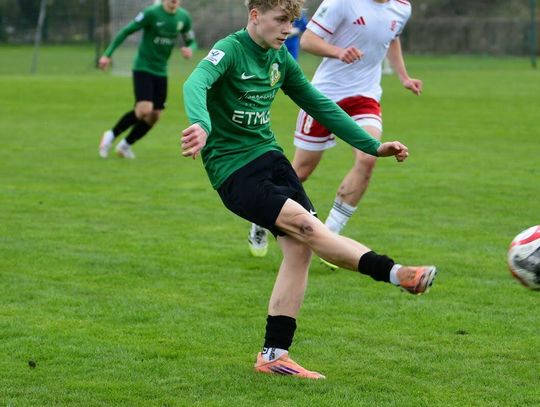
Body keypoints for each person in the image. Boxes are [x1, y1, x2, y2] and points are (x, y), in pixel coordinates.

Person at [181, 0, 437, 379]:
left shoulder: (280, 59)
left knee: (300, 250)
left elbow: (320, 104)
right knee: (308, 228)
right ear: (255, 16)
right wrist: (201, 124)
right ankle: (397, 273)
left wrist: (372, 146)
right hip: (234, 171)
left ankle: (274, 355)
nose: (288, 29)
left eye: (292, 22)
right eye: (281, 20)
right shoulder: (231, 50)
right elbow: (195, 82)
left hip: (271, 159)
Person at [248, 0, 422, 264]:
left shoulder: (402, 7)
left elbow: (392, 37)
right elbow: (308, 41)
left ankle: (331, 235)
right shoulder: (342, 2)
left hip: (365, 96)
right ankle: (261, 218)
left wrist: (404, 77)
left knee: (368, 158)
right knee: (300, 172)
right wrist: (339, 52)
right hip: (324, 96)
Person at [98, 0, 196, 159]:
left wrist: (190, 49)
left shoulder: (184, 17)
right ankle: (110, 135)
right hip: (143, 67)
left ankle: (125, 145)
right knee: (144, 110)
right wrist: (107, 55)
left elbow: (191, 41)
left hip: (161, 71)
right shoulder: (151, 13)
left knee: (155, 115)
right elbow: (126, 31)